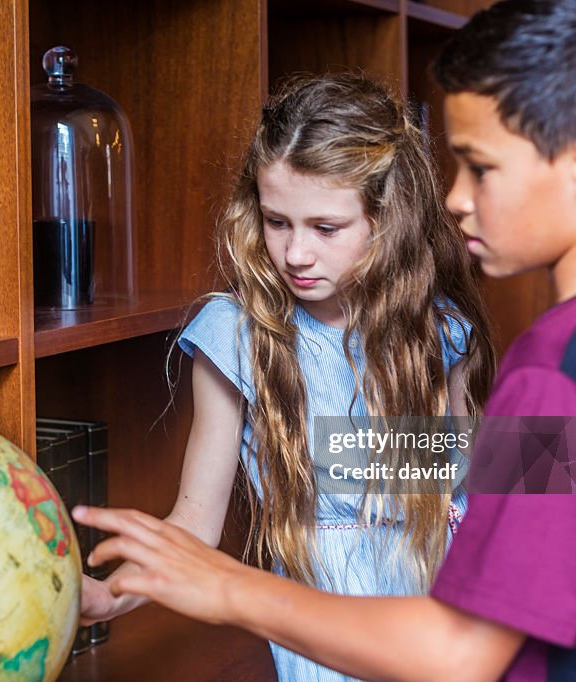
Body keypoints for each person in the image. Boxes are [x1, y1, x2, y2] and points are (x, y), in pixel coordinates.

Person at [72, 1, 576, 680]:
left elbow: (461, 648)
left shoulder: (557, 371)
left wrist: (229, 586)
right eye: (278, 222)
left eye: (478, 165)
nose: (454, 197)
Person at [78, 72, 495, 680]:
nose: (297, 254)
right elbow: (194, 522)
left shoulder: (441, 330)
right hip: (312, 620)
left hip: (439, 611)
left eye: (326, 228)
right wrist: (108, 599)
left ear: (390, 221)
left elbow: (470, 481)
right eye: (278, 222)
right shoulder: (236, 334)